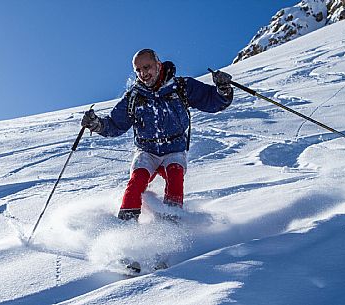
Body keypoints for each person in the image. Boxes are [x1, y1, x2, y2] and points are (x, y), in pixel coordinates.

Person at [81, 48, 233, 221]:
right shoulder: (134, 97)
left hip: (174, 149)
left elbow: (212, 101)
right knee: (137, 181)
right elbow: (115, 124)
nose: (143, 73)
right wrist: (97, 125)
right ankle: (126, 223)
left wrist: (223, 89)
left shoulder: (181, 87)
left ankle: (171, 223)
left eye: (147, 67)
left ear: (158, 65)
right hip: (147, 150)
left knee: (175, 178)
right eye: (138, 70)